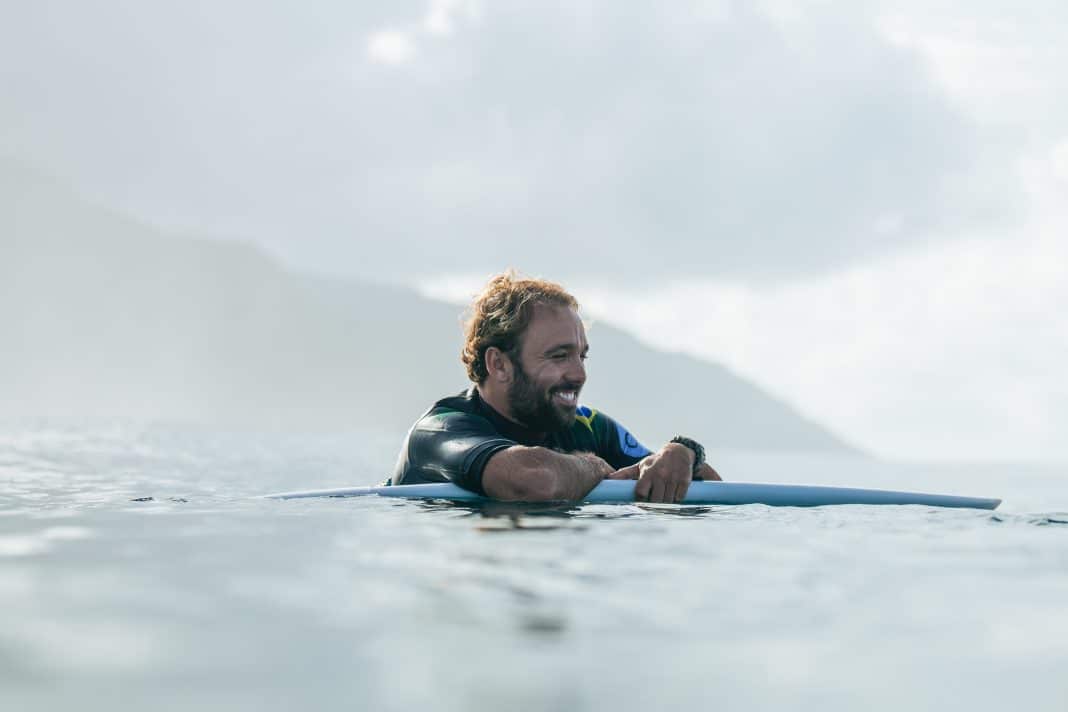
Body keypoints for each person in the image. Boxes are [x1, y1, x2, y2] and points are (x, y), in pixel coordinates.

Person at [390, 271, 721, 503]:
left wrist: (683, 452)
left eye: (582, 356)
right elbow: (534, 482)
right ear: (499, 364)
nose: (579, 374)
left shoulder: (589, 427)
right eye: (559, 356)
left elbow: (708, 486)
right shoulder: (441, 429)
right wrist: (594, 466)